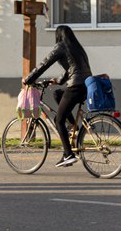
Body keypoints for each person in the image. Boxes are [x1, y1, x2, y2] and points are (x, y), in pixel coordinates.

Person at [23, 25, 92, 167]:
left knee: (58, 120)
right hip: (85, 85)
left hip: (75, 86)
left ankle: (68, 155)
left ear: (59, 36)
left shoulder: (61, 46)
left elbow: (44, 63)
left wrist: (29, 78)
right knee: (57, 93)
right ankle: (73, 126)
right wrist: (58, 80)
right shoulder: (77, 48)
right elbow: (72, 69)